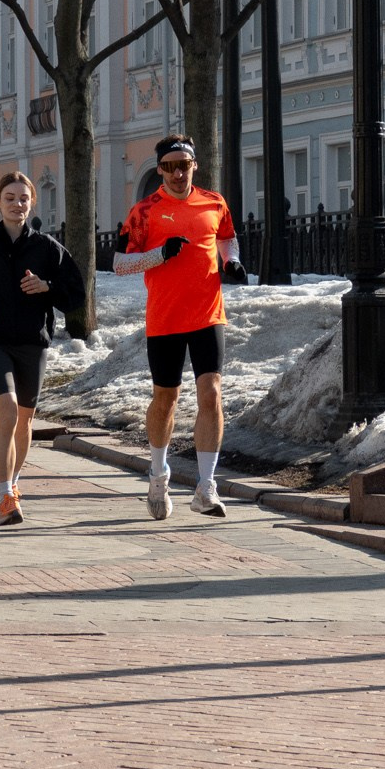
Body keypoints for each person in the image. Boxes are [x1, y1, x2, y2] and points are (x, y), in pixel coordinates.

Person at [113, 135, 244, 520]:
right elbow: (120, 263)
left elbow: (227, 238)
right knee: (166, 399)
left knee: (212, 394)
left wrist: (231, 261)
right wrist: (159, 254)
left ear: (194, 166)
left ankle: (206, 487)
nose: (176, 173)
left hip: (207, 314)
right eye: (168, 166)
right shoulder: (145, 210)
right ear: (159, 170)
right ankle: (158, 474)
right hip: (166, 318)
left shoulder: (214, 201)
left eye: (183, 165)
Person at [0, 171, 86, 523]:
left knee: (25, 418)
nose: (16, 204)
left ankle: (15, 483)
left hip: (31, 342)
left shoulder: (46, 248)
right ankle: (4, 495)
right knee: (5, 411)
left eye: (23, 198)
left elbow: (76, 294)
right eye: (9, 198)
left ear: (31, 203)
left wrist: (47, 287)